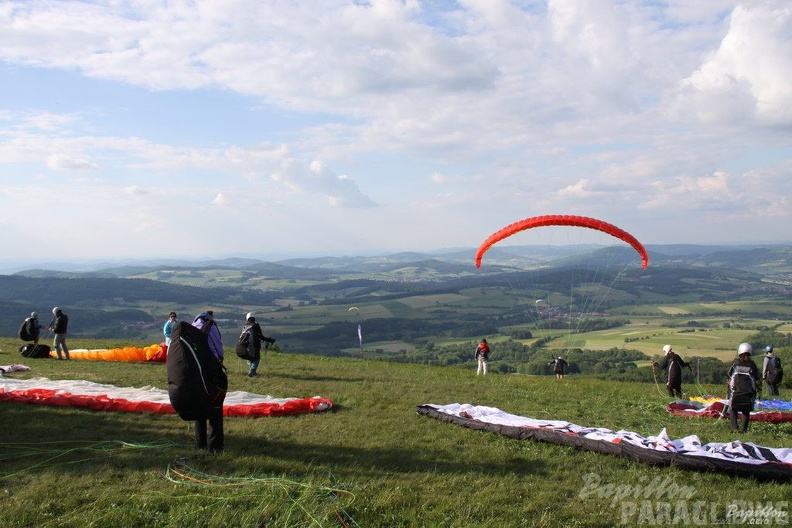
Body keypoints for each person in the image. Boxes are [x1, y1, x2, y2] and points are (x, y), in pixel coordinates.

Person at [192, 311, 225, 454]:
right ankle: (215, 447)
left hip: (194, 371)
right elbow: (218, 348)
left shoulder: (192, 326)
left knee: (199, 406)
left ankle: (200, 443)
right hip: (210, 371)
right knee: (215, 407)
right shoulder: (211, 327)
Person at [727, 342, 760, 433]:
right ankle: (743, 430)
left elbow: (729, 374)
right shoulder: (752, 364)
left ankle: (734, 428)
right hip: (748, 394)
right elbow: (757, 377)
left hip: (735, 392)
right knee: (746, 411)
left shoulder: (735, 363)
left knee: (733, 409)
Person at [239, 313, 275, 377]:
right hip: (254, 344)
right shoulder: (255, 325)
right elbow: (260, 335)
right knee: (256, 358)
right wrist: (269, 340)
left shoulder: (245, 326)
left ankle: (252, 371)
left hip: (246, 345)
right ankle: (252, 370)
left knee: (251, 357)